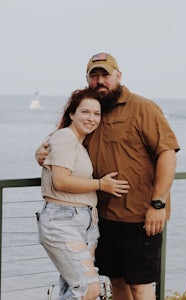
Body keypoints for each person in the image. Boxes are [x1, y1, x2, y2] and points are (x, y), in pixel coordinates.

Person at [35, 53, 180, 300]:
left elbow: (167, 153)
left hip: (139, 217)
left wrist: (158, 203)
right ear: (88, 79)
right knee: (117, 283)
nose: (100, 80)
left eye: (106, 75)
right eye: (94, 76)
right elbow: (61, 143)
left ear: (119, 76)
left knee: (140, 287)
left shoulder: (142, 108)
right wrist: (39, 153)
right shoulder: (92, 111)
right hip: (101, 217)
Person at [36, 87, 130, 300]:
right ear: (72, 113)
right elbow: (61, 181)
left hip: (84, 222)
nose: (91, 118)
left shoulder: (79, 142)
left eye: (96, 114)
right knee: (89, 290)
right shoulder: (65, 137)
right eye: (85, 112)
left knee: (74, 289)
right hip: (63, 221)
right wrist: (100, 185)